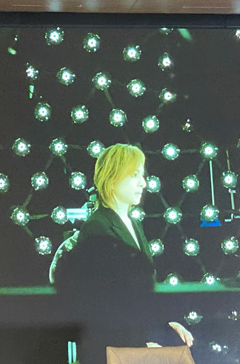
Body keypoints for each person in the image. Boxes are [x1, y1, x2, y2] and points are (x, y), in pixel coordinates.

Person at [55, 143, 193, 363]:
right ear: (112, 178)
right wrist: (140, 347)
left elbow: (138, 294)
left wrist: (166, 323)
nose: (143, 183)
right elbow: (102, 308)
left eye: (142, 175)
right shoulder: (97, 227)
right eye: (134, 175)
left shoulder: (132, 223)